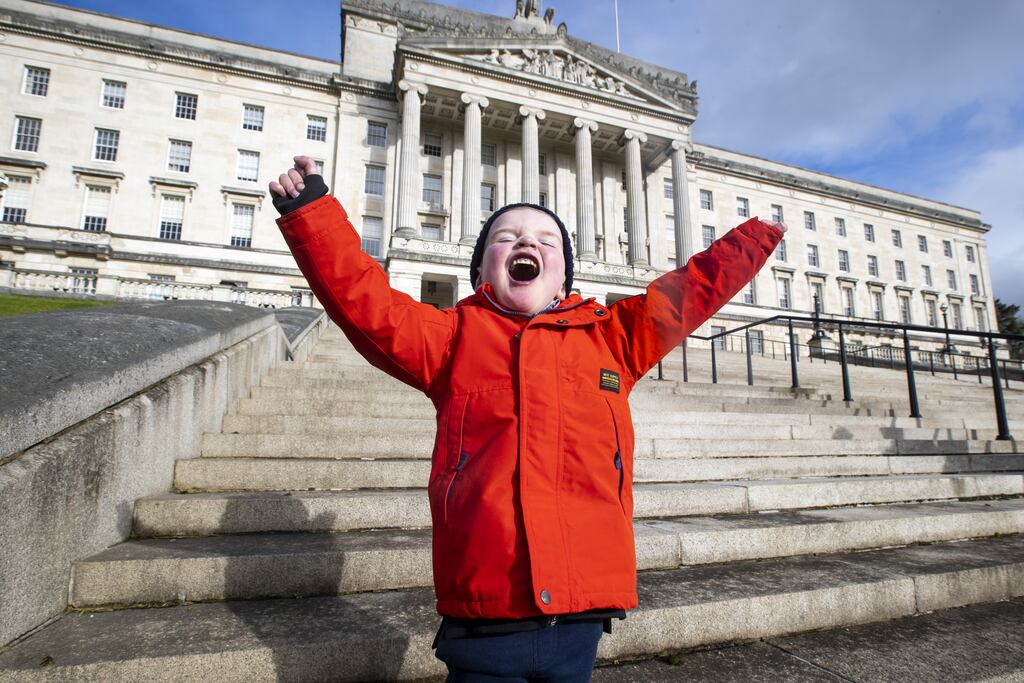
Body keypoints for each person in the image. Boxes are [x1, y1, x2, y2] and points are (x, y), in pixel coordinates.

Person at [270, 156, 785, 681]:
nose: (526, 244)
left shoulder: (613, 339)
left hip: (582, 610)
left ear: (564, 277)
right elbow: (367, 301)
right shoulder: (450, 338)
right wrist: (311, 214)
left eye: (546, 241)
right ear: (479, 273)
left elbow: (690, 293)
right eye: (506, 236)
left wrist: (754, 239)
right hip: (484, 616)